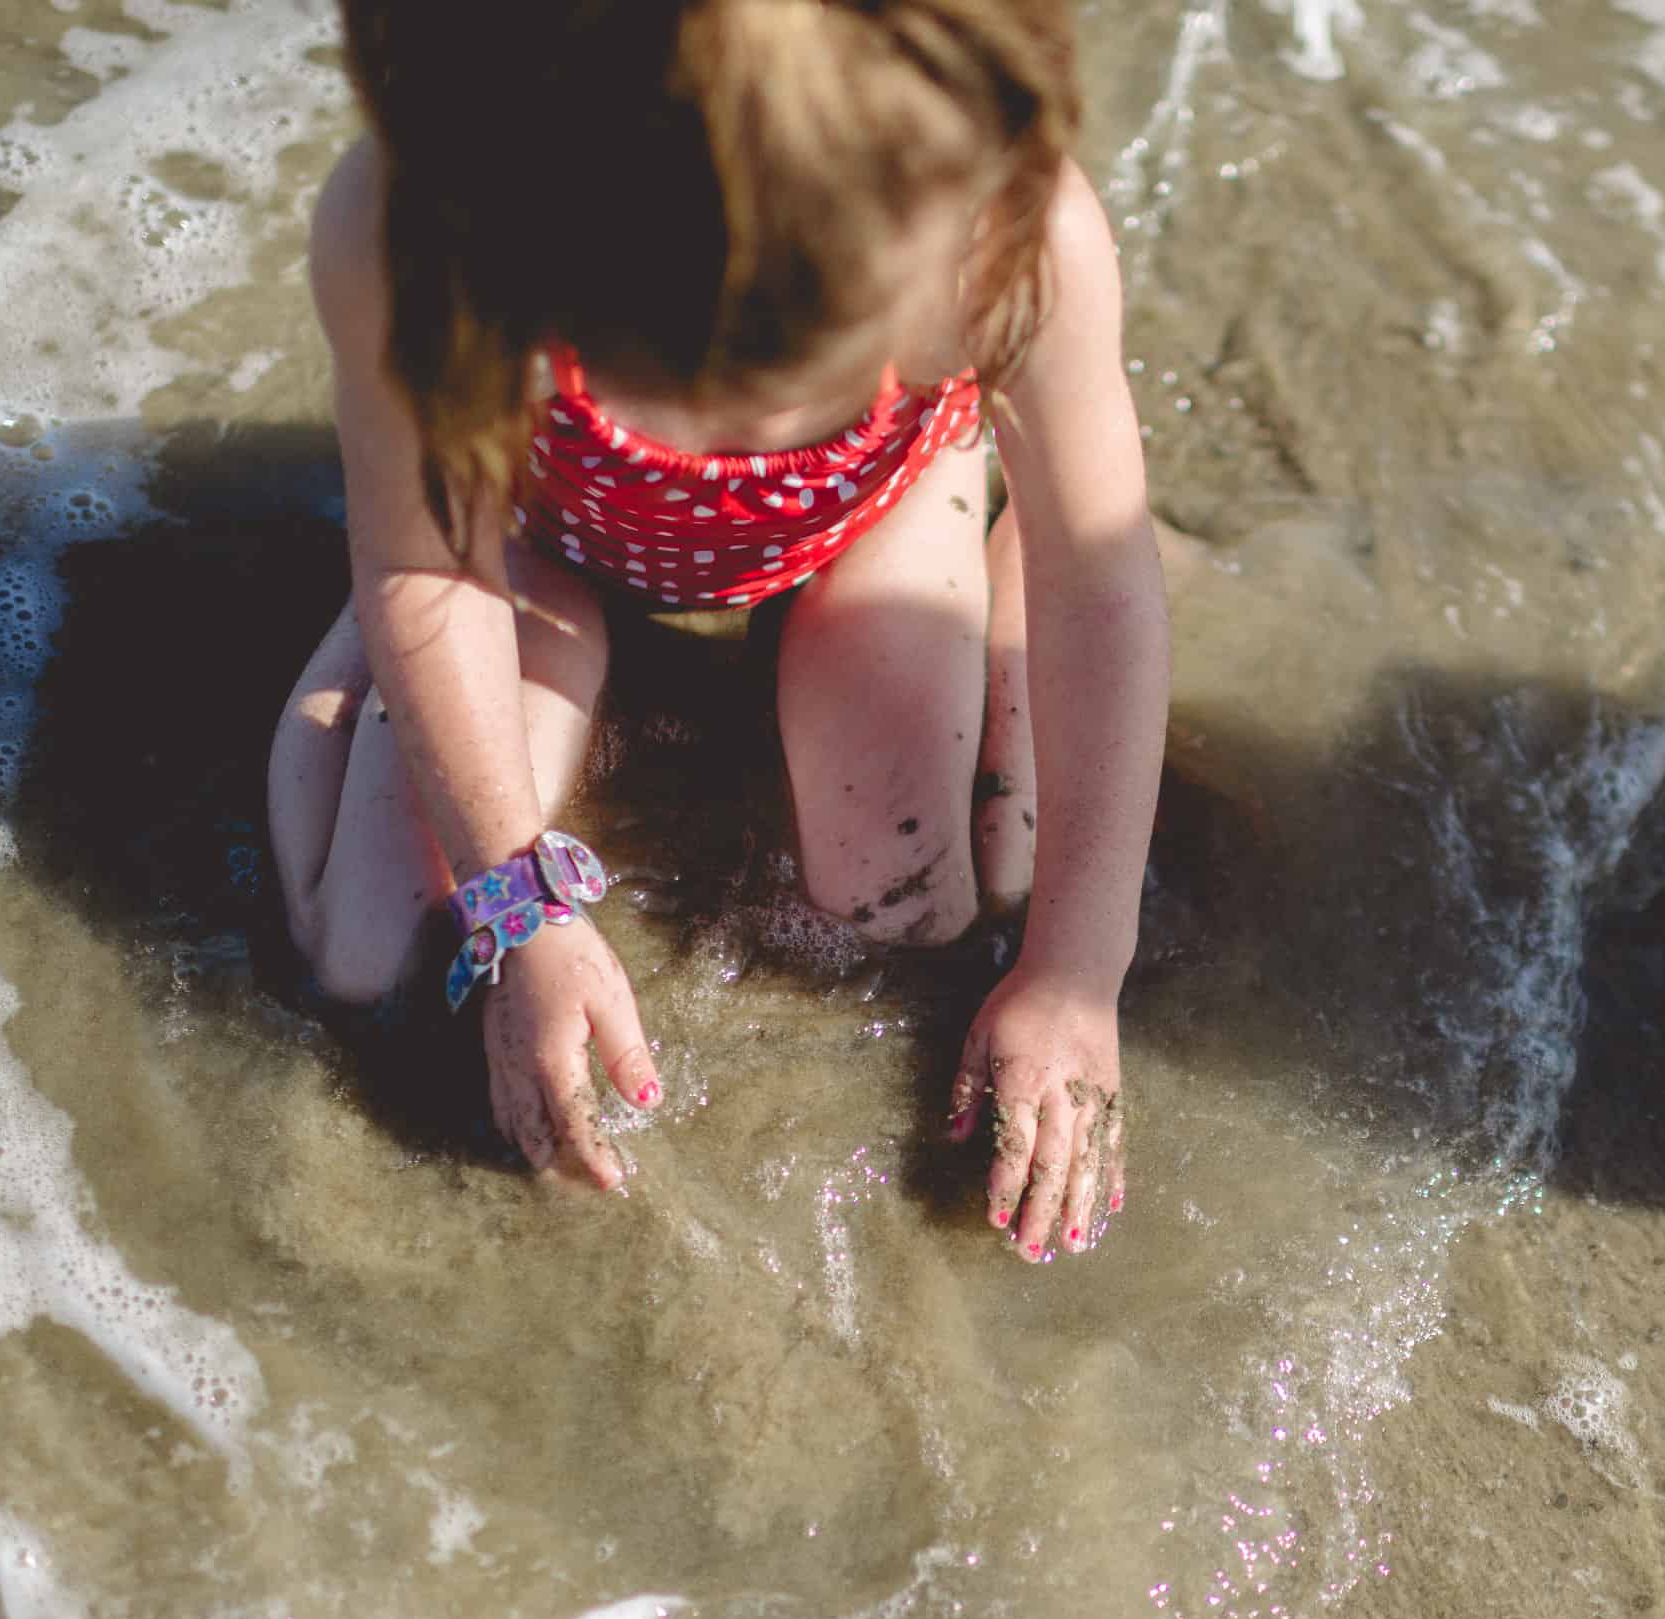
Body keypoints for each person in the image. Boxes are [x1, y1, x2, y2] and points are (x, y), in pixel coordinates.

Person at [265, 0, 1165, 1260]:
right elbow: (430, 566)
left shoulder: (1006, 232)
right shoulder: (423, 226)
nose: (738, 431)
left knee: (921, 911)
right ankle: (379, 591)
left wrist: (1080, 969)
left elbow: (1100, 585)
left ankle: (1004, 526)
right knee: (366, 956)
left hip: (869, 517)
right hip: (533, 539)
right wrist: (517, 903)